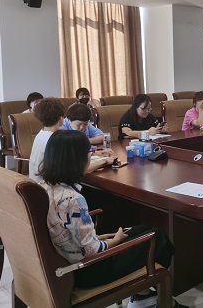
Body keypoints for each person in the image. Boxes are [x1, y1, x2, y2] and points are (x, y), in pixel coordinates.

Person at [39, 130, 184, 308]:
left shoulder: (44, 188)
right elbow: (93, 250)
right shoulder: (72, 199)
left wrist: (100, 237)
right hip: (88, 270)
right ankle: (159, 300)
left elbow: (67, 231)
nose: (90, 156)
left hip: (66, 261)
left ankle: (142, 297)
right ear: (76, 160)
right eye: (88, 153)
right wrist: (116, 240)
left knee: (142, 229)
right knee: (158, 237)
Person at [30, 98, 115, 182]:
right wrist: (105, 161)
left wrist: (93, 153)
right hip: (50, 187)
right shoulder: (57, 140)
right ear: (61, 117)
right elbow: (77, 171)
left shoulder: (41, 134)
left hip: (37, 183)